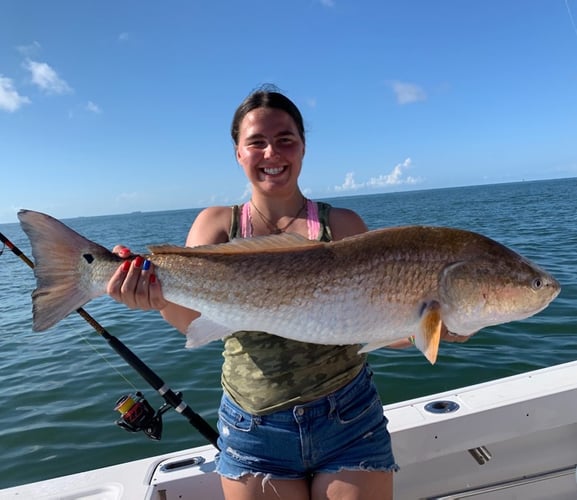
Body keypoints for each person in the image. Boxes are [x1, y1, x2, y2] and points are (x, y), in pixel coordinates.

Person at [106, 86, 461, 499]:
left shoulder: (344, 225)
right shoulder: (217, 226)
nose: (272, 153)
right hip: (253, 427)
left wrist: (436, 329)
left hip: (349, 418)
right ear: (238, 153)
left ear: (303, 148)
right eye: (256, 143)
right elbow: (194, 322)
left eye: (285, 140)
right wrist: (155, 298)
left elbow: (377, 327)